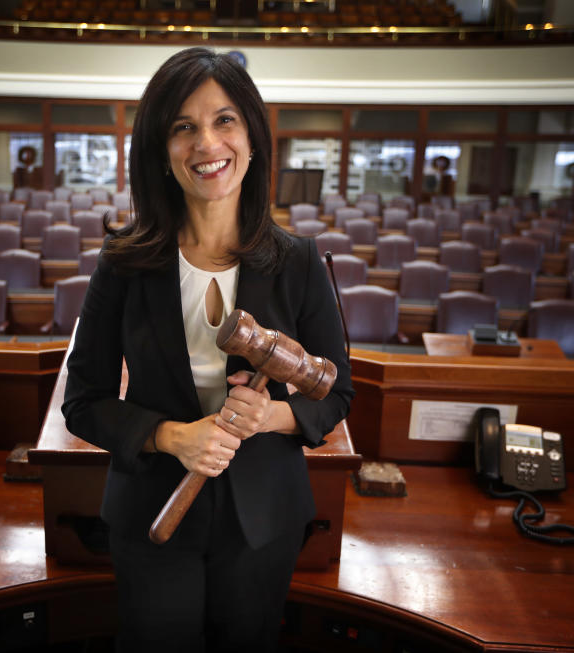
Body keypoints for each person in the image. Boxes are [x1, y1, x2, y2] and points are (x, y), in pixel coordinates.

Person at [61, 47, 354, 652]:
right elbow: (83, 402)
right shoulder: (123, 262)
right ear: (161, 150)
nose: (206, 144)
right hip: (152, 511)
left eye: (224, 121)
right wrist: (170, 435)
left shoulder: (298, 261)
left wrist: (272, 415)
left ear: (251, 138)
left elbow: (336, 390)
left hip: (263, 517)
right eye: (183, 126)